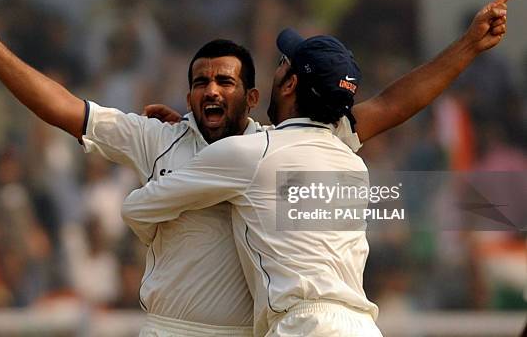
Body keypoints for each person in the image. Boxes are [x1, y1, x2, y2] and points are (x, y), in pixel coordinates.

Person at [0, 0, 518, 335]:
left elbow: (393, 104)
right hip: (172, 330)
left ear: (256, 95)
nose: (210, 90)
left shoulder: (281, 147)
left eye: (224, 81)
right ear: (187, 92)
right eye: (200, 81)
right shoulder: (156, 136)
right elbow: (64, 108)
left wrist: (467, 46)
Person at [122, 17, 519, 336]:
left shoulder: (251, 152)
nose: (274, 70)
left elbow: (138, 206)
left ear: (291, 83)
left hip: (302, 326)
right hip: (361, 326)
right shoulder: (349, 157)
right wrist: (468, 47)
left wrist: (195, 155)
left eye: (281, 64)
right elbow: (391, 104)